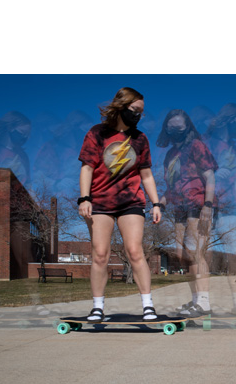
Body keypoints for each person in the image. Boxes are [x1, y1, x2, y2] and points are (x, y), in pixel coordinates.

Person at [77, 87, 162, 322]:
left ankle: (147, 305)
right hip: (100, 201)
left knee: (135, 251)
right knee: (100, 254)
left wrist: (156, 203)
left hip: (131, 201)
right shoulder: (97, 134)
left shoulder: (140, 139)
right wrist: (84, 198)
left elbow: (146, 175)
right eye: (134, 110)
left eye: (141, 112)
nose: (137, 116)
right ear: (121, 106)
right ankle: (97, 307)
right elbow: (87, 168)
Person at [157, 109, 218, 318]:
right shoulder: (170, 156)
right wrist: (160, 205)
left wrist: (208, 205)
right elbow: (171, 189)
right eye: (171, 127)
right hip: (179, 207)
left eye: (179, 127)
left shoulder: (197, 146)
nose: (175, 130)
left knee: (196, 253)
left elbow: (209, 176)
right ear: (166, 129)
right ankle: (195, 301)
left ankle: (204, 302)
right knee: (183, 255)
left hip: (199, 204)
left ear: (188, 127)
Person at [203, 103, 236, 315]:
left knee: (235, 255)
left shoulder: (234, 148)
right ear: (228, 120)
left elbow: (235, 182)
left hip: (230, 206)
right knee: (201, 254)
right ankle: (202, 302)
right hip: (206, 205)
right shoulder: (206, 143)